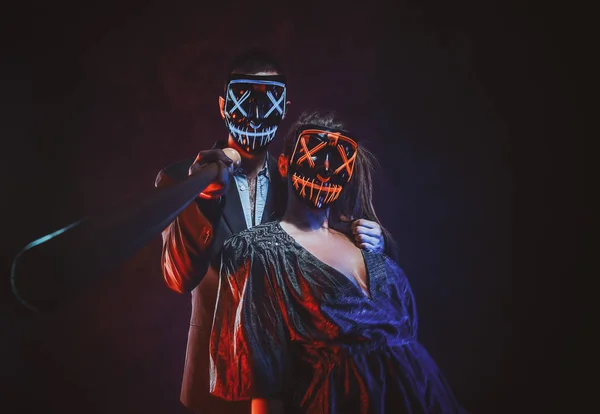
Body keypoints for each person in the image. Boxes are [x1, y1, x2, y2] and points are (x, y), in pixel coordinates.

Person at [155, 50, 392, 414]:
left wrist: (374, 241)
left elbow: (330, 239)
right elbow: (179, 276)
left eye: (268, 98)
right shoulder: (181, 178)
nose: (255, 110)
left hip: (290, 379)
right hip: (213, 380)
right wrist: (202, 197)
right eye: (245, 97)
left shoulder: (295, 178)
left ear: (283, 106)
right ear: (224, 105)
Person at [208, 110, 467, 414]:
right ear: (284, 164)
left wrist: (383, 249)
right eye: (316, 154)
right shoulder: (260, 251)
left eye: (338, 158)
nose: (327, 167)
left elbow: (405, 335)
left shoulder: (369, 244)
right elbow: (264, 381)